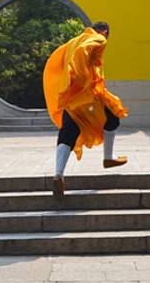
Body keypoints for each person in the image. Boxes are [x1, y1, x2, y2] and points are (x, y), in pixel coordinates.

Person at [43, 21, 129, 198]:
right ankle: (108, 158)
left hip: (70, 100)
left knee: (68, 133)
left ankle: (58, 174)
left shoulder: (74, 41)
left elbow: (56, 59)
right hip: (86, 97)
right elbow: (82, 53)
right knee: (113, 118)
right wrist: (82, 80)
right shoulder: (98, 38)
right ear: (104, 32)